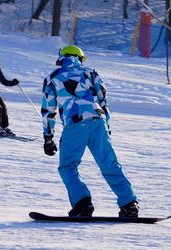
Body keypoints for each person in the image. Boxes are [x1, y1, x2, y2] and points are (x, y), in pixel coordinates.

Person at [41, 45, 139, 217]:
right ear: (80, 59)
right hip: (97, 120)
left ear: (61, 58)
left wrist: (48, 138)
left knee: (68, 166)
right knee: (109, 163)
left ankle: (82, 203)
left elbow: (48, 110)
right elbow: (103, 99)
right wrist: (106, 124)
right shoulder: (90, 72)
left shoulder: (53, 78)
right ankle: (129, 203)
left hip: (75, 123)